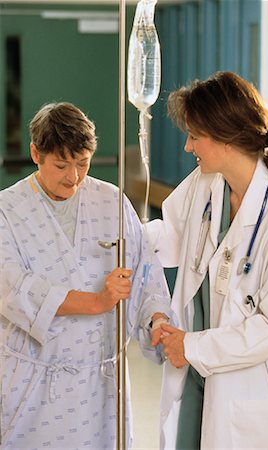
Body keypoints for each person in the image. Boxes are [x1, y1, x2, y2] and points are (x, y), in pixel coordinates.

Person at [0, 102, 172, 449]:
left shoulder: (110, 201)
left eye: (82, 163)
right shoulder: (7, 210)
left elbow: (145, 273)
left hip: (100, 388)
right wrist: (98, 301)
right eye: (61, 165)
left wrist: (157, 319)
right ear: (36, 153)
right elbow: (14, 288)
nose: (74, 177)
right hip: (34, 386)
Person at [147, 71, 268, 450]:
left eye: (195, 136)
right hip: (198, 377)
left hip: (248, 391)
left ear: (226, 137)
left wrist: (194, 347)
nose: (188, 147)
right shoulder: (206, 182)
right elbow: (170, 236)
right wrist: (119, 234)